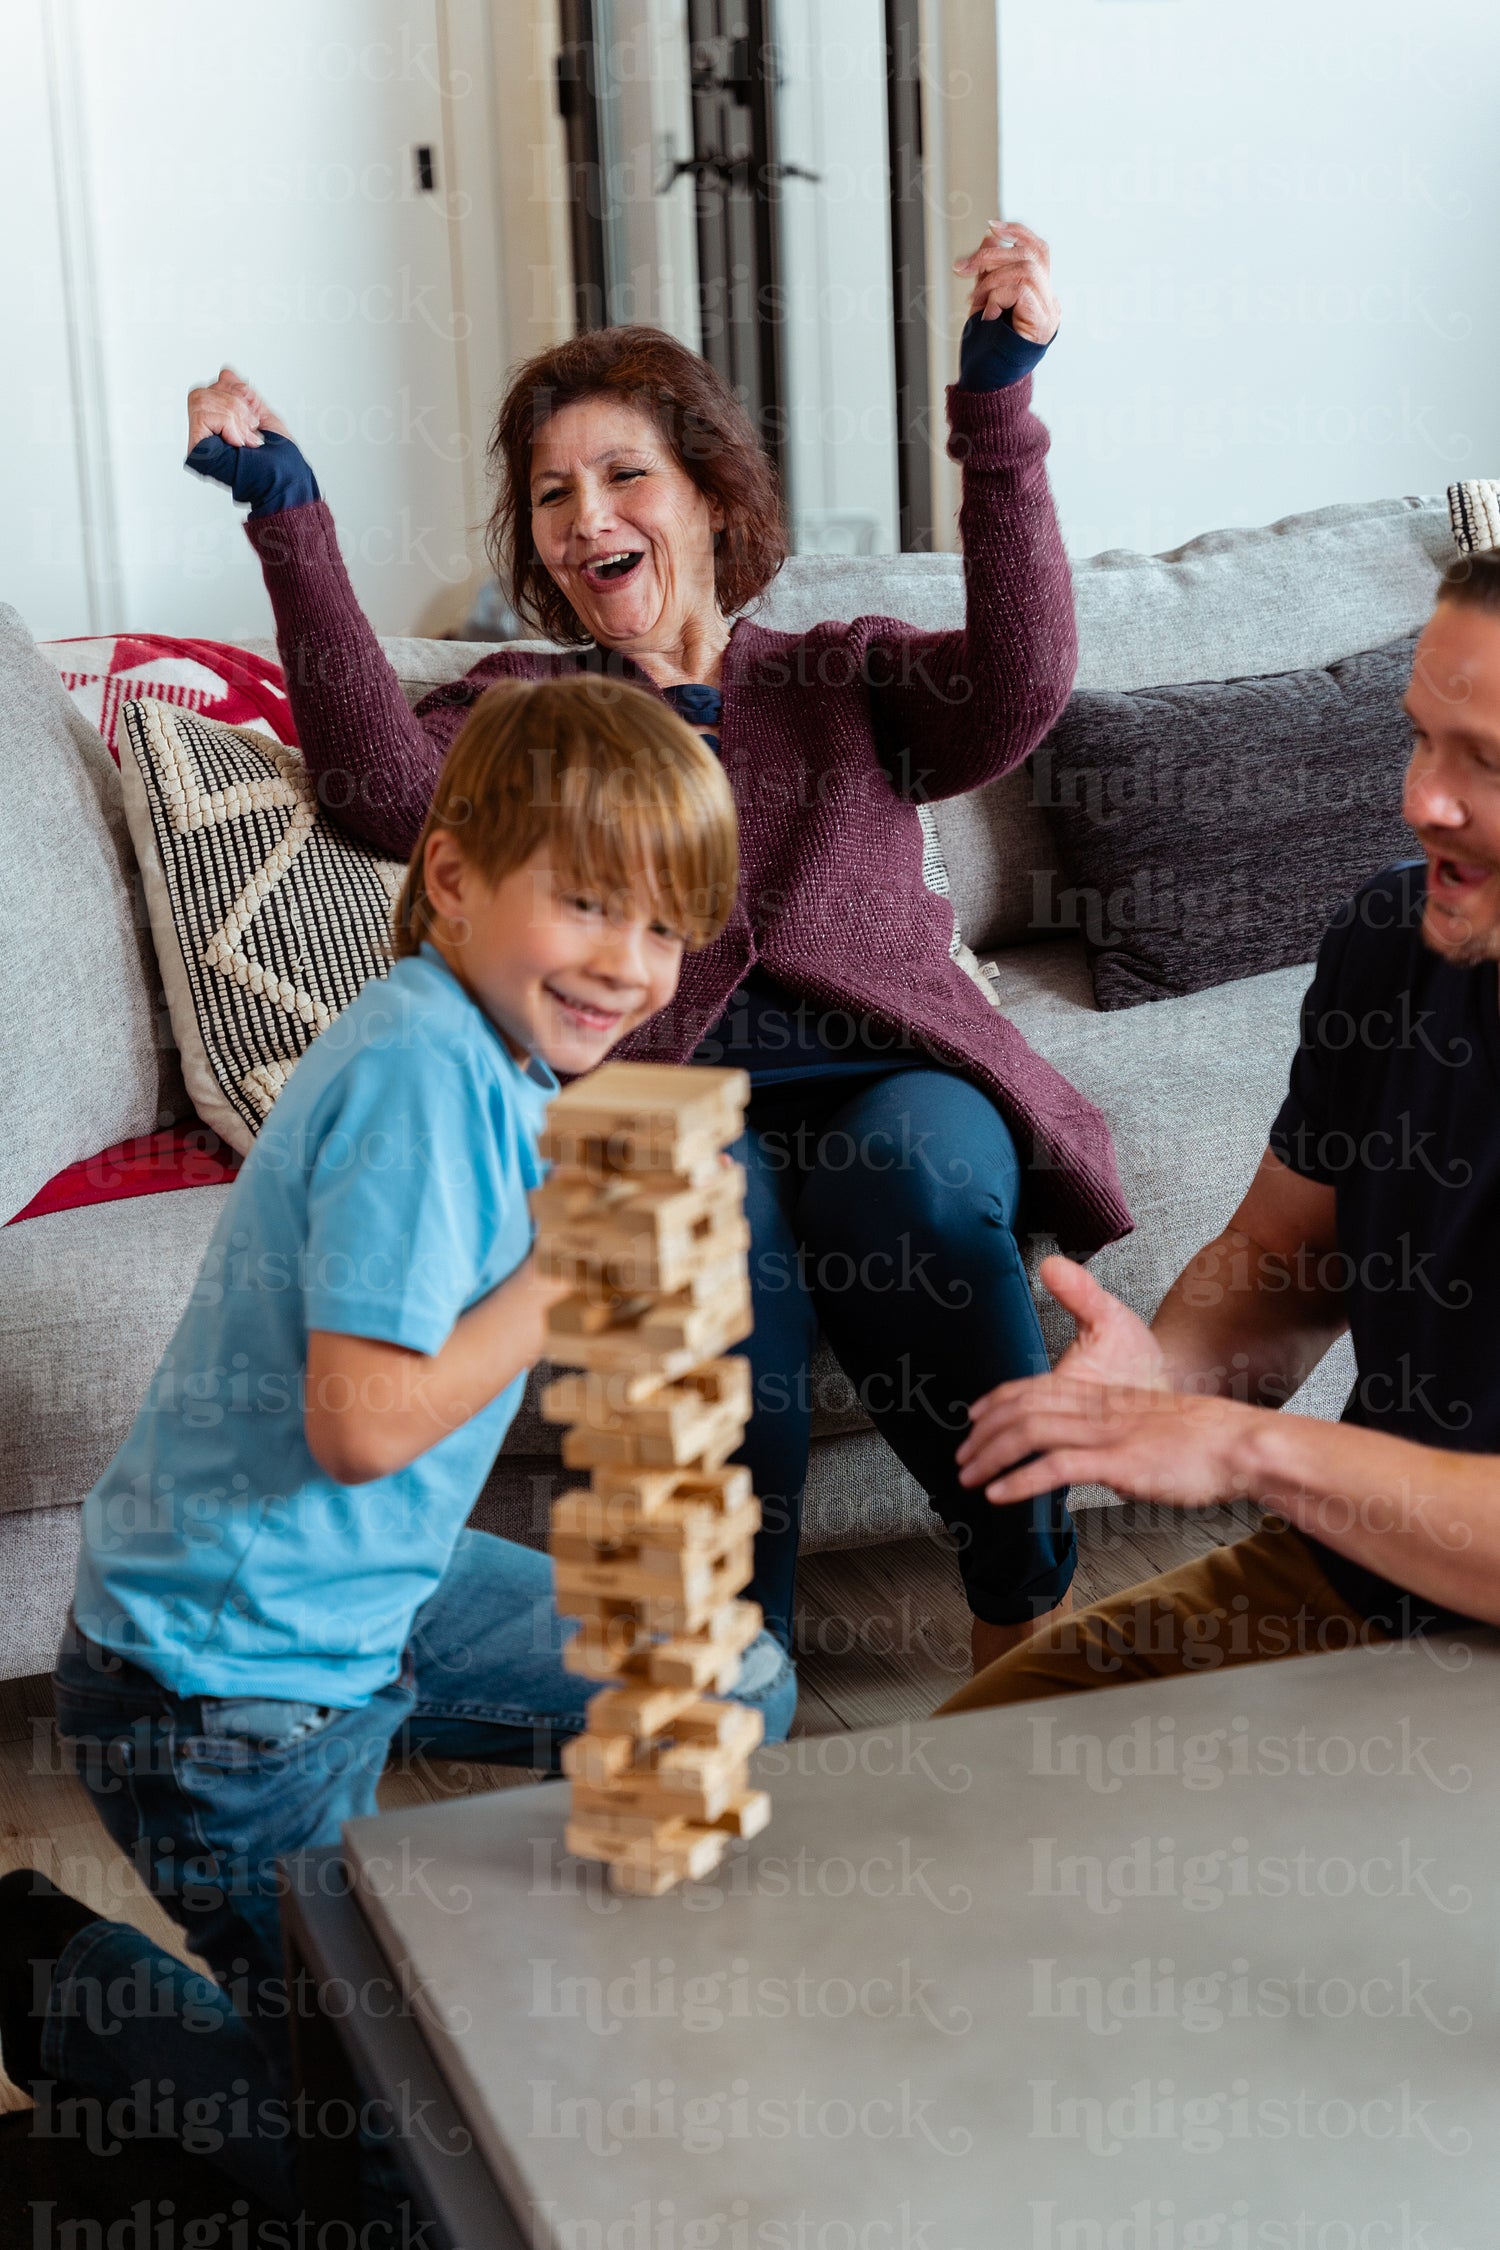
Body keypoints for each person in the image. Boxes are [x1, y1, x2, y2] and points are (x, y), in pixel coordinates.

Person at [177, 219, 1129, 1680]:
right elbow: (378, 790)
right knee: (700, 1255)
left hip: (892, 1071)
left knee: (920, 1191)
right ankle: (727, 1678)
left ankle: (1022, 1592)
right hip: (659, 1097)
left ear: (705, 499)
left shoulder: (835, 670)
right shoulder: (533, 709)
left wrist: (997, 411)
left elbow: (1022, 680)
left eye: (625, 473)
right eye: (553, 493)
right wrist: (289, 519)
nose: (584, 513)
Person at [0, 676, 794, 2218]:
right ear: (450, 877)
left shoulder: (494, 1057)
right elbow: (361, 1424)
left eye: (661, 925)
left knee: (730, 1672)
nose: (629, 964)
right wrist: (573, 1265)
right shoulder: (423, 1075)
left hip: (375, 1595)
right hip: (227, 1688)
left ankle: (478, 2006)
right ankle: (59, 1977)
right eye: (586, 904)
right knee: (414, 2181)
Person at [938, 552, 1500, 1717]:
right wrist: (1165, 1378)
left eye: (1484, 761)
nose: (1418, 799)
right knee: (973, 1762)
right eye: (1420, 737)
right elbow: (1289, 1272)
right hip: (1360, 1572)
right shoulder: (1395, 941)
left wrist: (1248, 1452)